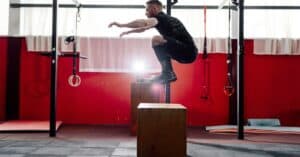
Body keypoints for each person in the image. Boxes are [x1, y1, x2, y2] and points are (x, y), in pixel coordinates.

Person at [108, 0, 198, 84]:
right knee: (161, 43)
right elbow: (144, 28)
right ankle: (167, 72)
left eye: (147, 10)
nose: (145, 13)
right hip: (188, 52)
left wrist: (121, 25)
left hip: (187, 51)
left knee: (156, 40)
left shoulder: (159, 18)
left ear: (154, 9)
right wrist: (129, 32)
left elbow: (143, 23)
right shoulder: (165, 19)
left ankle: (167, 73)